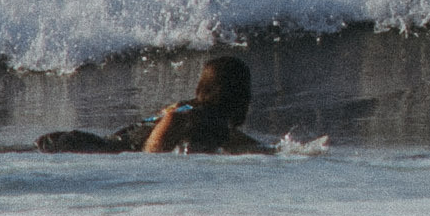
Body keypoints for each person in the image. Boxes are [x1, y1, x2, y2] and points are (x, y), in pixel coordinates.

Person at [33, 55, 274, 155]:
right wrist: (151, 159)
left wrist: (271, 151)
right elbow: (172, 121)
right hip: (85, 149)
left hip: (82, 143)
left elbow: (233, 140)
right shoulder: (204, 118)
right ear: (240, 97)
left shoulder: (194, 110)